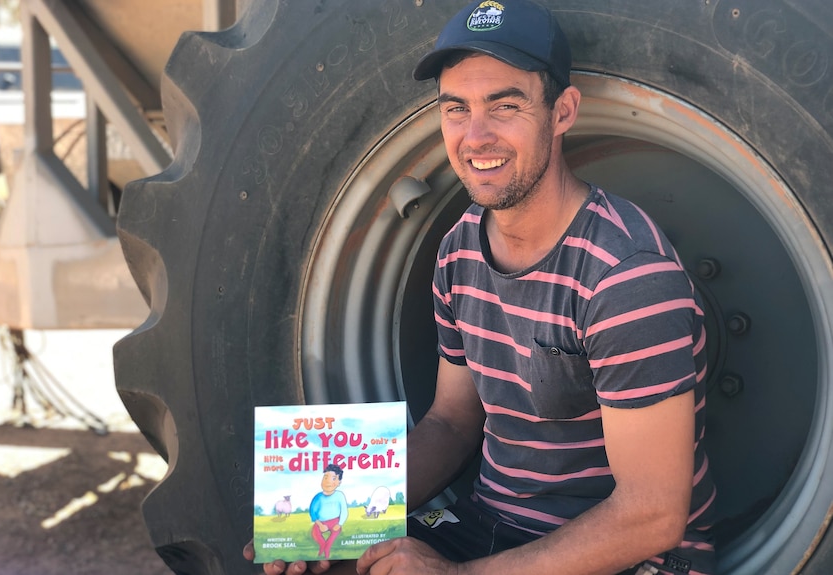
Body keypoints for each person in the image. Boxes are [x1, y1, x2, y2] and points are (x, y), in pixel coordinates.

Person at [246, 1, 717, 573]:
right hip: (490, 526)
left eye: (505, 106)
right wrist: (328, 526)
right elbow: (450, 422)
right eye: (456, 109)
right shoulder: (460, 251)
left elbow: (652, 516)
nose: (476, 136)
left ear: (563, 112)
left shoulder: (625, 274)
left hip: (627, 555)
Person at [308, 464, 349, 560]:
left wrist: (339, 523)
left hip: (335, 520)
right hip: (320, 522)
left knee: (335, 532)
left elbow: (344, 511)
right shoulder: (318, 497)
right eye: (325, 478)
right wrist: (320, 524)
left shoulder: (339, 495)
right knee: (315, 533)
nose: (328, 482)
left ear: (339, 482)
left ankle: (326, 550)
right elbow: (312, 512)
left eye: (333, 478)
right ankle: (323, 545)